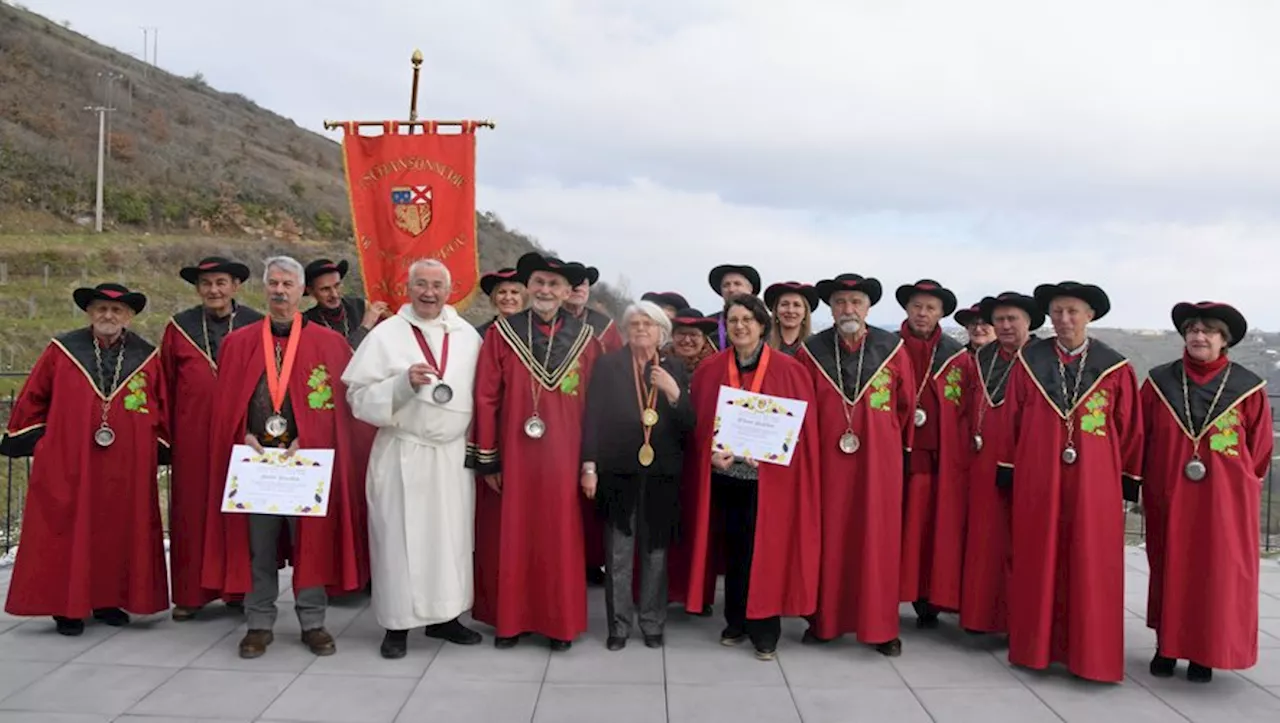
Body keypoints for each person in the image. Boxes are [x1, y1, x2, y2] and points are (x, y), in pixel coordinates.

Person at [202, 256, 366, 659]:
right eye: (273, 283)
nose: (279, 291)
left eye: (288, 284)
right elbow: (226, 407)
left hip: (305, 465)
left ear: (301, 290)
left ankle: (313, 622)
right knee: (258, 545)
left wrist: (308, 438)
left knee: (311, 543)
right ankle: (259, 623)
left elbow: (338, 411)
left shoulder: (328, 344)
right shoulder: (238, 343)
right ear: (265, 288)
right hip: (256, 463)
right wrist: (241, 433)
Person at [1, 283, 169, 635]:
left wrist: (160, 447)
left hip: (126, 463)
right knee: (68, 529)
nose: (108, 316)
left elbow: (161, 407)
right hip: (70, 459)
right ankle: (68, 607)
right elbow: (34, 398)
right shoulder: (62, 350)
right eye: (101, 309)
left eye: (117, 311)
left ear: (129, 316)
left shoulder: (146, 356)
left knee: (117, 530)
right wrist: (42, 443)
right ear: (89, 313)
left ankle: (109, 601)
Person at [998, 280, 1143, 683]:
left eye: (1072, 311)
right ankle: (1034, 650)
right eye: (1058, 311)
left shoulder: (1115, 368)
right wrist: (1007, 469)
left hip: (1094, 485)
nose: (1064, 319)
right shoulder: (1030, 361)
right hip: (1038, 477)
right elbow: (1011, 418)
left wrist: (1129, 483)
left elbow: (1130, 429)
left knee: (1090, 566)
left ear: (1089, 315)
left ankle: (1091, 656)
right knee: (1037, 562)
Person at [343, 259, 484, 658]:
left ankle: (446, 617)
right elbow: (357, 398)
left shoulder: (467, 336)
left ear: (449, 290)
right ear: (408, 288)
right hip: (401, 450)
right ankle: (397, 625)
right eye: (420, 284)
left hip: (451, 455)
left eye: (437, 285)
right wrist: (402, 385)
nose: (428, 292)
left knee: (449, 539)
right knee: (396, 540)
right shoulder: (387, 334)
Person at [467, 252, 602, 651]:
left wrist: (589, 463)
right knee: (512, 537)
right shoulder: (501, 334)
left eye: (554, 284)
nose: (545, 290)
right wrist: (488, 456)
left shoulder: (586, 340)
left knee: (558, 540)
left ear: (566, 291)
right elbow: (486, 397)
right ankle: (510, 622)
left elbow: (595, 407)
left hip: (565, 457)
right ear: (529, 287)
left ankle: (558, 623)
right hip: (514, 455)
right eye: (539, 282)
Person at [683, 294, 820, 661]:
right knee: (735, 550)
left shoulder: (790, 371)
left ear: (763, 324)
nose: (740, 326)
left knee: (767, 553)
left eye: (748, 319)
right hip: (727, 478)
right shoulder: (710, 370)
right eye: (734, 320)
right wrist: (710, 454)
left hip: (768, 483)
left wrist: (774, 457)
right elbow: (697, 428)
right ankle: (736, 620)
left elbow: (803, 434)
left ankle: (765, 628)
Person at [1142, 301, 1272, 683]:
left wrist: (1238, 487)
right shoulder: (1158, 382)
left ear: (1223, 340)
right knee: (1170, 566)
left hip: (1224, 500)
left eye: (1208, 331)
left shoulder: (1248, 388)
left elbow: (1260, 450)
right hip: (1169, 492)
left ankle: (1204, 653)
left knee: (1213, 573)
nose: (1199, 337)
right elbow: (1141, 435)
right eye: (1193, 331)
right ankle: (1166, 646)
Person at [799, 273, 915, 656]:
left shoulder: (893, 349)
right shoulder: (811, 351)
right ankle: (826, 622)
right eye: (840, 303)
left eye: (856, 302)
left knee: (878, 541)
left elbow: (905, 406)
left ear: (868, 308)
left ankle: (881, 627)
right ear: (831, 309)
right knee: (829, 539)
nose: (848, 309)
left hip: (878, 466)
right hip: (828, 465)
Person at [581, 301, 694, 651]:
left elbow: (691, 425)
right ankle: (618, 625)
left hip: (661, 474)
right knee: (617, 552)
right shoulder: (610, 365)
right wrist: (589, 467)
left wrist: (673, 392)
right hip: (618, 472)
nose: (641, 329)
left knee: (655, 554)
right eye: (635, 324)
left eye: (648, 324)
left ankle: (652, 622)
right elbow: (593, 419)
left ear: (662, 332)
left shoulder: (674, 366)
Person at [162, 256, 263, 621]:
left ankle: (237, 591)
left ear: (235, 286)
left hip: (243, 436)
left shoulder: (256, 324)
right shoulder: (179, 328)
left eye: (221, 283)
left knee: (239, 514)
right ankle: (190, 595)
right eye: (206, 284)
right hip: (193, 438)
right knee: (192, 513)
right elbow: (165, 384)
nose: (213, 290)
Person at [958, 291, 1042, 635]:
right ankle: (982, 615)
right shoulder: (983, 357)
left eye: (1013, 320)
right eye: (1000, 320)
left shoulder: (1042, 360)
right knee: (985, 539)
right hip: (983, 459)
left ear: (1029, 322)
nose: (1005, 326)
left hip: (1027, 462)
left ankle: (1016, 618)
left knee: (1020, 542)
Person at [894, 279, 971, 626]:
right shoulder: (885, 348)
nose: (922, 314)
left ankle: (927, 598)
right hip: (891, 456)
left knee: (927, 531)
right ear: (907, 310)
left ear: (941, 313)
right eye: (917, 307)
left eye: (930, 308)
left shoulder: (957, 357)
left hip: (936, 460)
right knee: (891, 528)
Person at [303, 258, 388, 349]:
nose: (334, 294)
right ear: (311, 291)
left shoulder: (363, 307)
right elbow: (340, 356)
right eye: (325, 289)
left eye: (337, 285)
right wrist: (365, 327)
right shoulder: (306, 324)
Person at [566, 262, 623, 353]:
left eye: (583, 284)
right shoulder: (544, 320)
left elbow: (619, 362)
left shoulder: (605, 326)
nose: (578, 288)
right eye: (573, 283)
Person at [706, 264, 761, 349]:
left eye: (737, 284)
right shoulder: (709, 324)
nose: (731, 289)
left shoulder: (766, 322)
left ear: (750, 289)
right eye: (726, 285)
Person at [764, 281, 818, 356]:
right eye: (784, 304)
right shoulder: (761, 344)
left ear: (805, 312)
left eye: (797, 305)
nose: (790, 310)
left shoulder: (816, 347)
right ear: (776, 310)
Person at [475, 267, 525, 338]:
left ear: (524, 297)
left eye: (514, 292)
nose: (508, 297)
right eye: (502, 292)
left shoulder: (536, 332)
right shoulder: (480, 335)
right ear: (494, 297)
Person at [665, 307, 718, 373]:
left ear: (704, 339)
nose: (687, 340)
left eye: (693, 335)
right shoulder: (658, 363)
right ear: (672, 336)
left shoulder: (718, 366)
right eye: (682, 334)